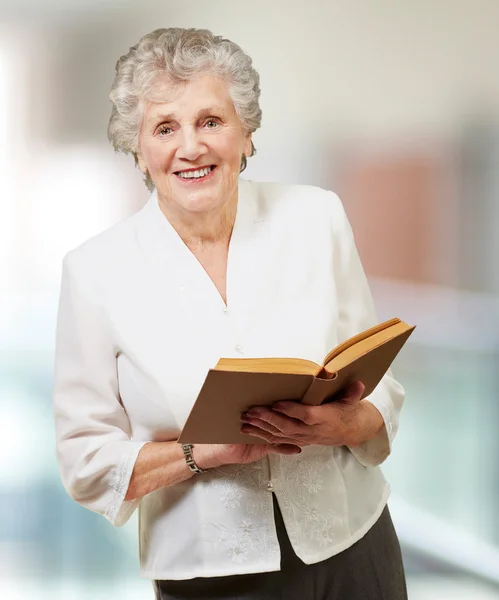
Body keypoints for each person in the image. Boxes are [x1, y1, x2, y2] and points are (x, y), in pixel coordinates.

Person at [52, 27, 408, 599]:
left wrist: (346, 423)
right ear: (138, 148)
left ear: (246, 133)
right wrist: (203, 453)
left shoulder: (318, 218)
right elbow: (86, 462)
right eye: (165, 127)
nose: (190, 147)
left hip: (356, 547)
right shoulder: (94, 272)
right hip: (210, 579)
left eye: (210, 122)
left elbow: (380, 384)